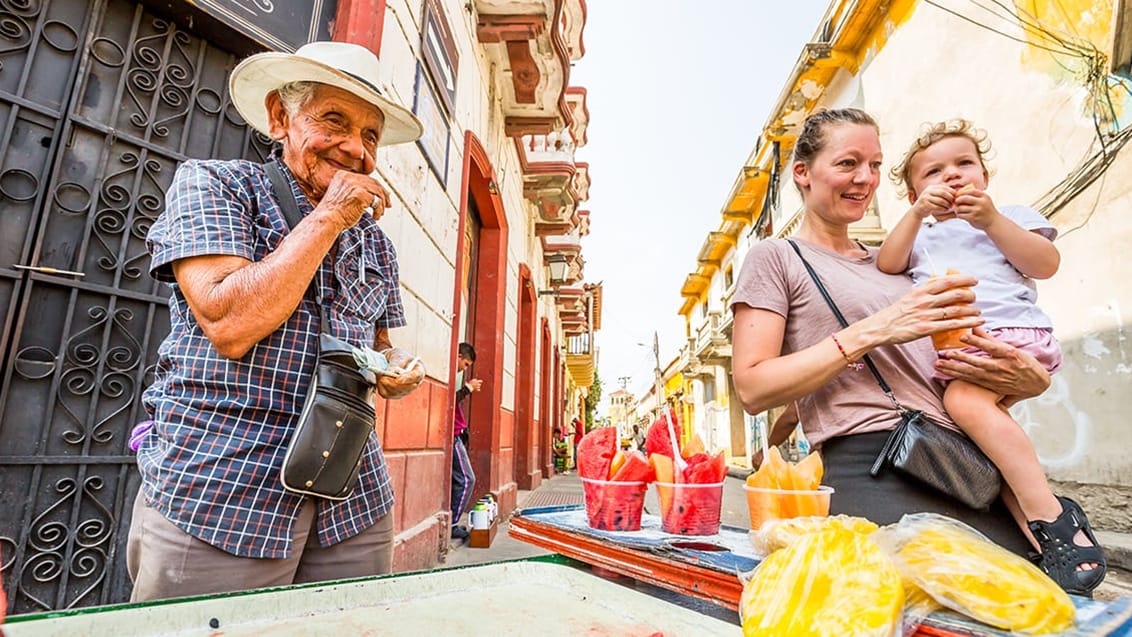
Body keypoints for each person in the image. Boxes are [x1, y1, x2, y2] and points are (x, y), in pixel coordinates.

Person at [729, 107, 1104, 596]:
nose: (864, 179)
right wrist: (878, 328)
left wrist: (1030, 380)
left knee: (1046, 605)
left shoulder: (903, 260)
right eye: (847, 163)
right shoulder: (777, 257)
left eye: (874, 165)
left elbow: (943, 363)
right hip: (872, 459)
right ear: (802, 173)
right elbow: (753, 387)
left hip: (962, 460)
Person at [129, 41, 427, 602]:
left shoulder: (376, 242)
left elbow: (377, 346)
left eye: (369, 135)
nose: (355, 148)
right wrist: (332, 216)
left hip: (352, 497)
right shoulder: (217, 186)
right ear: (279, 118)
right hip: (222, 491)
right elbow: (230, 322)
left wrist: (392, 371)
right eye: (333, 120)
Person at [876, 118, 1103, 593]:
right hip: (960, 349)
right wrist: (916, 216)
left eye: (965, 163)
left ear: (985, 175)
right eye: (933, 172)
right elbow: (887, 263)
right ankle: (1052, 549)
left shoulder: (1011, 216)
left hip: (1011, 338)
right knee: (984, 445)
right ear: (915, 191)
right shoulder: (921, 236)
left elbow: (1046, 263)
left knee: (964, 404)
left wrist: (993, 221)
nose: (952, 175)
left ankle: (1051, 516)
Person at [450, 342, 482, 541]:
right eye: (466, 364)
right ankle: (453, 523)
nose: (465, 368)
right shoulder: (450, 374)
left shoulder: (453, 377)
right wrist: (468, 388)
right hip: (453, 436)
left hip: (457, 434)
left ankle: (453, 521)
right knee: (467, 479)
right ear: (459, 356)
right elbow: (450, 400)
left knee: (462, 479)